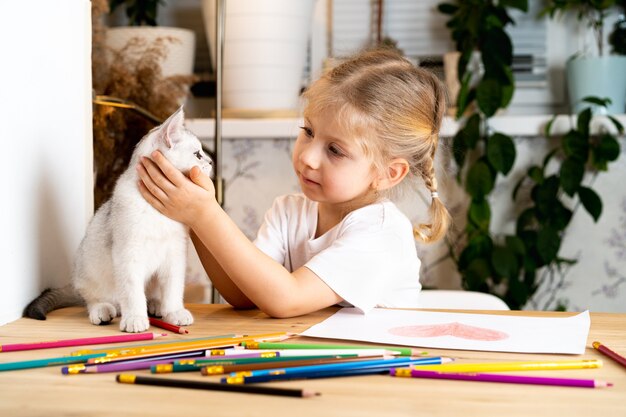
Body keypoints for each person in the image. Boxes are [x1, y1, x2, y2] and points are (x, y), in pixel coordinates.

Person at [136, 48, 450, 318]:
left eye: (335, 150)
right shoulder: (289, 212)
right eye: (308, 131)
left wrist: (207, 214)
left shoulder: (381, 232)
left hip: (380, 373)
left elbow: (286, 299)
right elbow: (244, 295)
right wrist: (195, 219)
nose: (309, 157)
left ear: (388, 174)